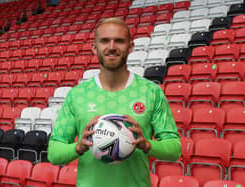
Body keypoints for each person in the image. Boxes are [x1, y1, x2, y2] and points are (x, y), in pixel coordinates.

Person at [48, 17, 181, 187]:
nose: (111, 47)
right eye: (105, 41)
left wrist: (147, 145)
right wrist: (79, 147)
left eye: (119, 41)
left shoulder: (151, 92)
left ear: (130, 47)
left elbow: (175, 149)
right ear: (94, 48)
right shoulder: (77, 95)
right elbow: (53, 152)